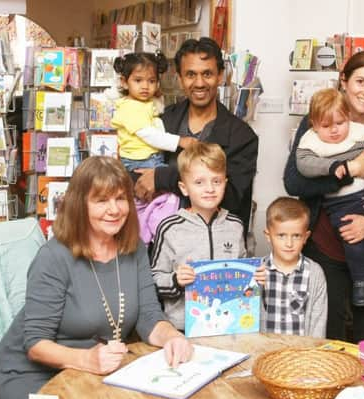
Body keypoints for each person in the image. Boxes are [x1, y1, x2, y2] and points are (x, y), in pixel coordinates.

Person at [0, 156, 192, 399]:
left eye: (121, 198)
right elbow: (36, 345)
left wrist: (172, 338)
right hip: (30, 376)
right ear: (79, 206)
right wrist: (87, 359)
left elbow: (148, 316)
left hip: (93, 372)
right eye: (101, 200)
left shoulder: (135, 250)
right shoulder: (54, 257)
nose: (114, 209)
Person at [284, 50, 364, 343]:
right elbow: (294, 182)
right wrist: (351, 170)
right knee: (327, 333)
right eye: (360, 81)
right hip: (325, 247)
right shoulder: (316, 121)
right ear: (344, 80)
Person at [134, 37, 258, 233]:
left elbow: (231, 197)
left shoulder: (241, 137)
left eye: (207, 74)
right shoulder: (162, 122)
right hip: (159, 239)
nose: (199, 83)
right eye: (191, 74)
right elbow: (139, 172)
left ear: (220, 76)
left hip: (213, 244)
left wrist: (163, 177)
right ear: (180, 78)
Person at [295, 88, 364, 307]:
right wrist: (340, 168)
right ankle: (361, 282)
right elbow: (301, 170)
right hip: (340, 206)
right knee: (354, 244)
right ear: (314, 125)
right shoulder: (310, 139)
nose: (334, 131)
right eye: (326, 126)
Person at [150, 143, 251, 330]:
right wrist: (175, 280)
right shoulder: (169, 228)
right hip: (182, 328)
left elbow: (243, 268)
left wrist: (253, 276)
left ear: (225, 183)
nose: (209, 189)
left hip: (229, 326)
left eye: (216, 181)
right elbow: (153, 279)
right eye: (199, 182)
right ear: (184, 187)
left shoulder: (235, 226)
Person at [110, 52, 196, 175]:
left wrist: (158, 97)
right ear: (124, 82)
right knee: (174, 180)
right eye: (138, 80)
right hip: (140, 161)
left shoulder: (143, 102)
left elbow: (157, 112)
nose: (145, 86)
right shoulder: (130, 108)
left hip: (149, 157)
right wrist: (179, 141)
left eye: (151, 81)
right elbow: (150, 135)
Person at [261, 197, 327, 338]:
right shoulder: (258, 271)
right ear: (268, 235)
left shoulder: (315, 273)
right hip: (265, 352)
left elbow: (318, 321)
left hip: (300, 354)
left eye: (296, 236)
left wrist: (313, 353)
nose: (289, 243)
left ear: (306, 237)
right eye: (281, 235)